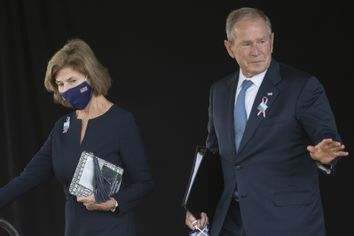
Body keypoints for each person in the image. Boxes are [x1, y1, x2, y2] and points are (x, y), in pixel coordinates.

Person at [185, 7, 349, 236]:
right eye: (246, 44)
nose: (256, 51)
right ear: (229, 48)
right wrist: (198, 204)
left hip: (285, 223)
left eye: (261, 41)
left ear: (272, 41)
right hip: (231, 221)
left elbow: (327, 138)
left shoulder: (301, 87)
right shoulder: (219, 91)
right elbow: (214, 152)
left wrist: (325, 157)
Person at [0, 38, 154, 235]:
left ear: (90, 76)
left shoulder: (122, 122)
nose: (66, 90)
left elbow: (145, 183)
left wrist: (113, 202)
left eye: (72, 81)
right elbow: (28, 178)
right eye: (60, 84)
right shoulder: (62, 128)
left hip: (114, 229)